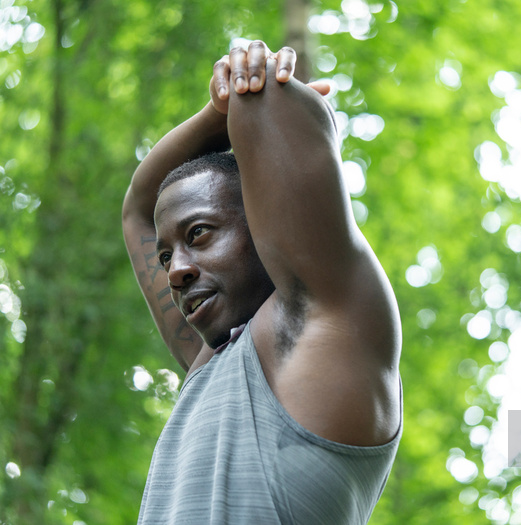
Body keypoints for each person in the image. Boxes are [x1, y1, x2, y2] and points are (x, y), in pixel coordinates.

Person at [121, 40, 402, 524]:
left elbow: (266, 103)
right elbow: (138, 208)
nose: (175, 271)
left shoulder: (323, 326)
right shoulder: (209, 360)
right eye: (166, 256)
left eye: (199, 234)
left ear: (265, 224)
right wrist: (216, 110)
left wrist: (253, 78)